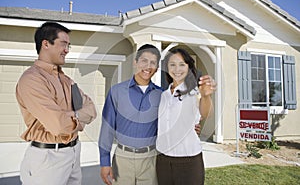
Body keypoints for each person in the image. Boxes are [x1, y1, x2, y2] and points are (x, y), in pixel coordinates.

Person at [98, 44, 203, 185]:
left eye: (153, 62)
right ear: (135, 62)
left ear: (157, 68)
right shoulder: (116, 91)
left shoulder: (163, 95)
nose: (148, 66)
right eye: (144, 61)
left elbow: (170, 120)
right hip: (123, 158)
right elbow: (107, 127)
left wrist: (191, 127)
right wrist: (104, 161)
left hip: (151, 159)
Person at [15, 21, 97, 185]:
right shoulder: (32, 80)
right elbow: (59, 125)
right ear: (46, 44)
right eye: (63, 44)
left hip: (73, 152)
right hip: (47, 159)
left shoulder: (67, 81)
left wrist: (71, 117)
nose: (67, 50)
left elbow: (92, 110)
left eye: (68, 45)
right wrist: (78, 119)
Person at [156, 48, 216, 185]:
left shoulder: (195, 92)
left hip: (188, 161)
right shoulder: (163, 95)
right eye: (172, 64)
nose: (177, 69)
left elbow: (207, 113)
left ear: (189, 67)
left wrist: (206, 96)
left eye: (182, 64)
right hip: (162, 160)